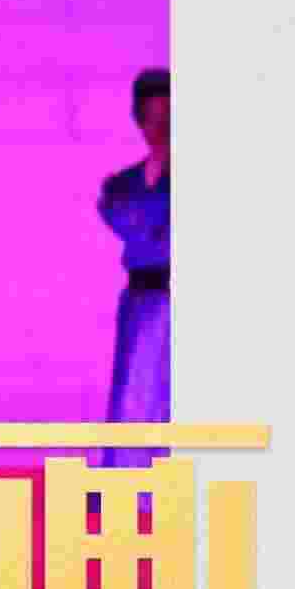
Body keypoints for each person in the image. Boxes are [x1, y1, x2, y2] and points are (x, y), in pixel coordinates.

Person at [97, 68, 169, 466]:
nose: (162, 128)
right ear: (140, 121)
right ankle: (127, 485)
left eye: (170, 118)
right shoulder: (121, 186)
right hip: (144, 300)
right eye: (153, 118)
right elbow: (128, 222)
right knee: (134, 396)